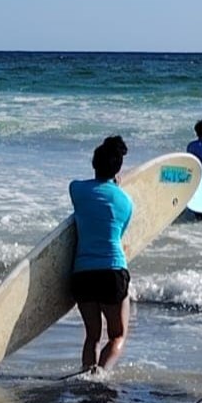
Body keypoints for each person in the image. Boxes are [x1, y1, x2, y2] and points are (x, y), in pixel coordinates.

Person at [69, 136, 135, 371]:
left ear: (94, 164)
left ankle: (88, 374)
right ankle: (101, 375)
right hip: (112, 272)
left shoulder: (76, 189)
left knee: (92, 336)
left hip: (82, 274)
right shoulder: (126, 202)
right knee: (117, 335)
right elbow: (118, 236)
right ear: (118, 169)